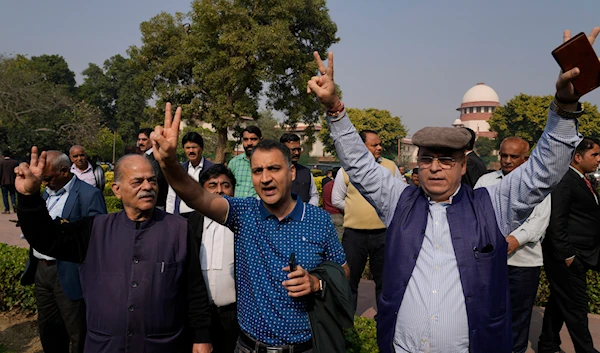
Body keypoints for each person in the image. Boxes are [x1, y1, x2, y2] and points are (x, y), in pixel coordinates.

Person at [307, 26, 594, 351]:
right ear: (418, 163)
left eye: (446, 159)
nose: (435, 166)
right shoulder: (399, 202)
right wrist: (334, 109)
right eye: (427, 158)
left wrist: (565, 105)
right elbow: (359, 165)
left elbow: (543, 170)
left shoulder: (493, 205)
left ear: (462, 165)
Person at [151, 105, 351, 353]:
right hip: (248, 347)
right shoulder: (244, 214)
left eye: (274, 169)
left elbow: (343, 272)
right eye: (258, 171)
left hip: (304, 347)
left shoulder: (318, 220)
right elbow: (197, 197)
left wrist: (316, 283)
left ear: (290, 173)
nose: (265, 178)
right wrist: (170, 163)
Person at [16, 151, 212, 353]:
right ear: (117, 189)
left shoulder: (178, 229)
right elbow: (46, 239)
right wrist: (29, 197)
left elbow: (193, 288)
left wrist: (201, 336)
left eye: (152, 180)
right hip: (105, 345)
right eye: (137, 182)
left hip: (162, 345)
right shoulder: (94, 229)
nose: (147, 187)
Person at [20, 151, 107, 353]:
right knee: (49, 328)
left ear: (64, 171)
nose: (44, 183)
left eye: (48, 178)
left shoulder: (89, 194)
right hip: (42, 271)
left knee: (78, 332)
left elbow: (97, 237)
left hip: (69, 272)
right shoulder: (46, 192)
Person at [475, 137, 551, 353]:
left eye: (513, 156)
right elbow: (476, 215)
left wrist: (514, 240)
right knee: (487, 311)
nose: (507, 160)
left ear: (526, 159)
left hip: (524, 262)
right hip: (489, 260)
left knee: (518, 315)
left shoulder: (538, 184)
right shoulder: (486, 181)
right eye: (504, 155)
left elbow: (539, 221)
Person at [538, 137, 600, 353]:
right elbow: (557, 222)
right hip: (567, 256)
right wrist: (568, 256)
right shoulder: (565, 180)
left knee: (560, 300)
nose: (598, 160)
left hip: (580, 254)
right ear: (577, 157)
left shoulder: (584, 179)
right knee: (576, 307)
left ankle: (547, 344)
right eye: (594, 155)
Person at [331, 129, 402, 310]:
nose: (379, 147)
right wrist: (355, 210)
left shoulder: (390, 167)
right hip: (354, 235)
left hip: (383, 235)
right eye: (374, 144)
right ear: (361, 147)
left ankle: (383, 322)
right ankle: (348, 321)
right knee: (349, 279)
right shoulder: (347, 169)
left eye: (380, 144)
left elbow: (401, 196)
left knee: (384, 281)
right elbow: (336, 199)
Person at [188, 164, 239, 353]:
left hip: (236, 317)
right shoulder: (187, 224)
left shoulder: (244, 226)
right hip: (198, 319)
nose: (220, 190)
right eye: (213, 185)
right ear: (202, 190)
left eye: (226, 185)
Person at [166, 132, 214, 218]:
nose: (191, 151)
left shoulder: (212, 169)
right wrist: (170, 217)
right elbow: (171, 197)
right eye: (188, 148)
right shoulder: (179, 169)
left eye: (194, 147)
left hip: (204, 218)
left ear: (201, 148)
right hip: (181, 218)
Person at [280, 133, 319, 206]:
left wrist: (308, 210)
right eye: (293, 150)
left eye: (299, 149)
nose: (297, 153)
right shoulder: (273, 172)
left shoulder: (306, 172)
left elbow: (314, 195)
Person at [138, 127, 168, 208]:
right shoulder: (145, 156)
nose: (140, 142)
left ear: (151, 140)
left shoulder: (155, 157)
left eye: (144, 139)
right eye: (139, 139)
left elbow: (157, 179)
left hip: (157, 203)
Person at [228, 126, 262, 198]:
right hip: (237, 207)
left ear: (261, 140)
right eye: (246, 139)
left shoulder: (267, 162)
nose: (249, 143)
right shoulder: (234, 163)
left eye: (253, 139)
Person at [321, 167, 343, 238]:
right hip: (338, 214)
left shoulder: (326, 185)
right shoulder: (341, 186)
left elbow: (323, 200)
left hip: (327, 214)